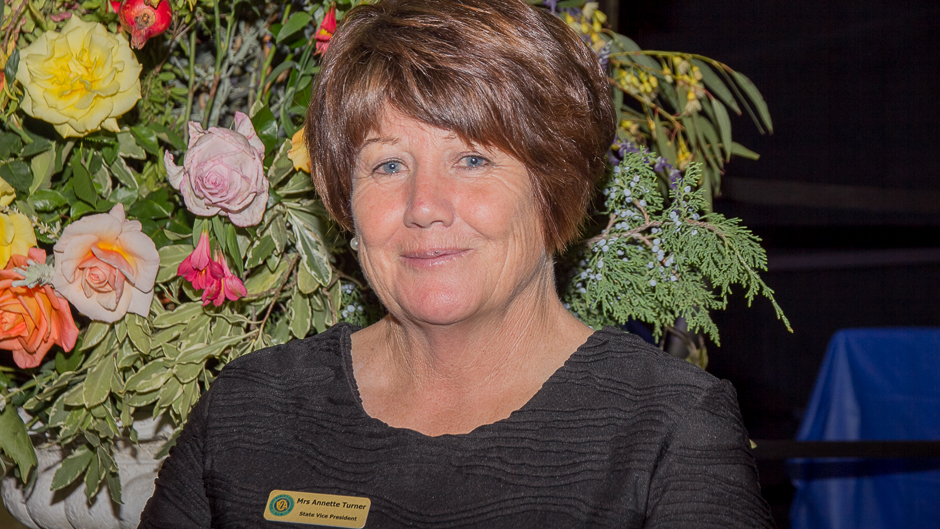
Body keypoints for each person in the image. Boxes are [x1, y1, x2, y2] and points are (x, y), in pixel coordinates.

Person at [140, 0, 774, 527]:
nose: (424, 207)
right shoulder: (249, 411)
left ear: (551, 188)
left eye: (472, 159)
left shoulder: (667, 430)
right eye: (388, 165)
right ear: (343, 202)